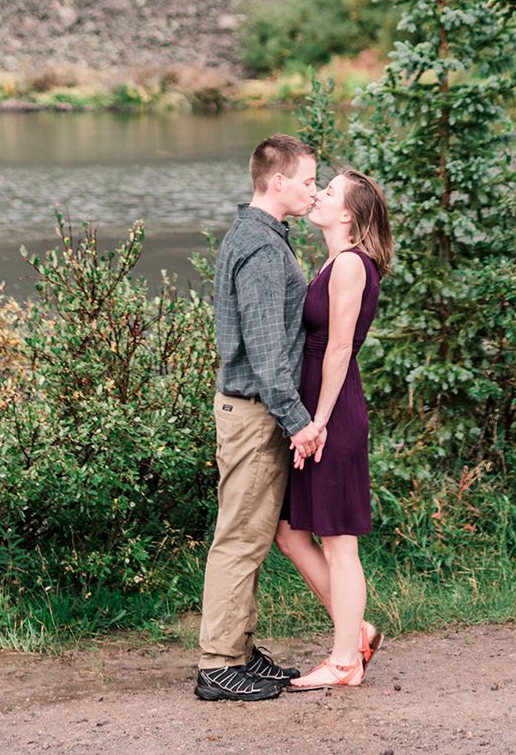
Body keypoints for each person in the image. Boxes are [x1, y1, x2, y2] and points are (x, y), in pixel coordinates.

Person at [195, 133, 324, 703]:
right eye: (308, 180)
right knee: (240, 541)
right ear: (278, 181)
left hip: (249, 410)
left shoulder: (256, 235)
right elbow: (270, 359)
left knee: (247, 535)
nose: (313, 190)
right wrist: (299, 421)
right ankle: (219, 665)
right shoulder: (265, 251)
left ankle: (239, 653)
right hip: (255, 415)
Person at [276, 168, 392, 691]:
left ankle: (346, 661)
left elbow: (340, 348)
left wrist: (317, 422)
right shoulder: (332, 262)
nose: (317, 195)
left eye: (328, 192)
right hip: (318, 410)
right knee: (290, 532)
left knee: (340, 542)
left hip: (334, 413)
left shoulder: (349, 264)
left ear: (347, 214)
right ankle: (357, 629)